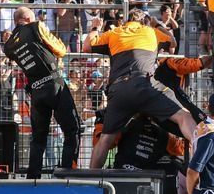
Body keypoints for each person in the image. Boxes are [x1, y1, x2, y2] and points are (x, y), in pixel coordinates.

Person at [83, 9, 197, 169]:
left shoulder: (115, 32)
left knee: (106, 139)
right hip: (145, 85)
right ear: (145, 22)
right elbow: (172, 42)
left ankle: (91, 183)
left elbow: (87, 46)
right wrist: (157, 24)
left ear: (126, 21)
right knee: (184, 117)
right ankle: (202, 157)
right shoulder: (151, 31)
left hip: (119, 89)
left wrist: (95, 27)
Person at [3, 6, 81, 178]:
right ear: (29, 19)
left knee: (38, 137)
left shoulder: (8, 46)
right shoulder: (36, 26)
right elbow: (60, 49)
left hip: (36, 90)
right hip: (54, 83)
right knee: (72, 130)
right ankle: (67, 172)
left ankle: (33, 177)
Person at [155, 54, 213, 123]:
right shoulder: (170, 62)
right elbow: (196, 64)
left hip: (165, 106)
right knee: (199, 117)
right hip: (174, 101)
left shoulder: (158, 72)